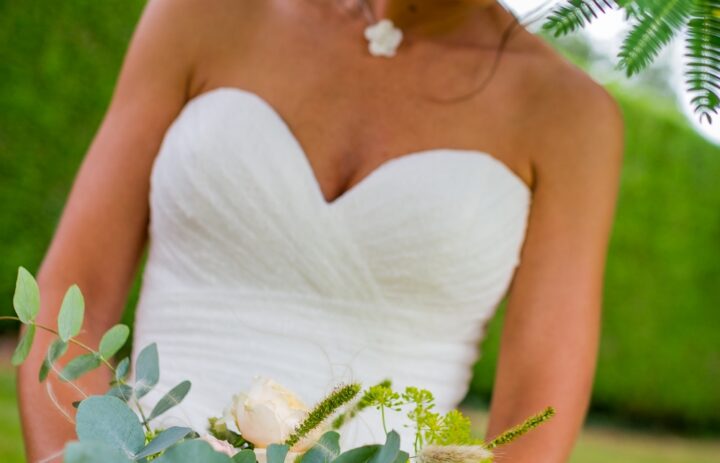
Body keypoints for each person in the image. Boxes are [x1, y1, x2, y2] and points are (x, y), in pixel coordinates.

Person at [18, 0, 623, 461]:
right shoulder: (202, 13)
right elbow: (78, 287)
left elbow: (535, 415)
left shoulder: (569, 115)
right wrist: (85, 450)